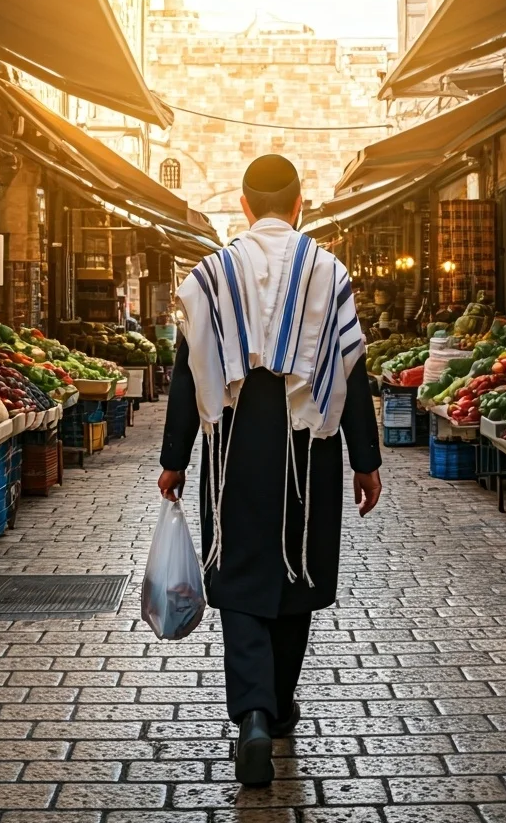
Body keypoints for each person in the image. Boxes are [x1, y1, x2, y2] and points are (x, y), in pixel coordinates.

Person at [157, 153, 382, 787]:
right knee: (296, 568)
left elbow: (187, 370)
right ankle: (279, 707)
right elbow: (351, 370)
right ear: (301, 204)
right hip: (309, 446)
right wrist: (367, 461)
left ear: (246, 208)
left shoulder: (211, 274)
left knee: (241, 569)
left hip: (234, 446)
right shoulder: (327, 270)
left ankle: (254, 714)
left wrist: (174, 459)